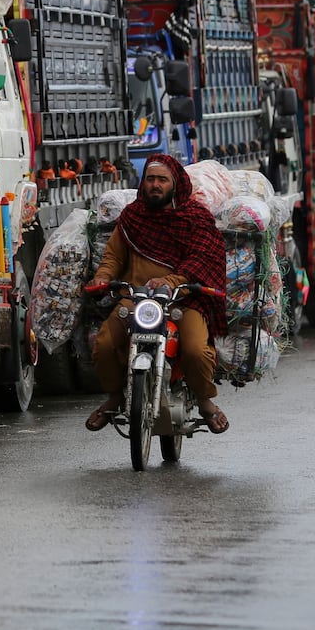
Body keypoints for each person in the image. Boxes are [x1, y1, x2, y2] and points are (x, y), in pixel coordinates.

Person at [85, 154, 232, 434]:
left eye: (162, 180)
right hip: (137, 299)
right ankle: (115, 397)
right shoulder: (132, 216)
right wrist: (103, 276)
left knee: (195, 350)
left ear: (175, 184)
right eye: (150, 179)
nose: (155, 185)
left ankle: (205, 403)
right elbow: (114, 256)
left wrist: (170, 281)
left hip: (184, 300)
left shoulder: (196, 218)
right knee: (104, 343)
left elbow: (201, 259)